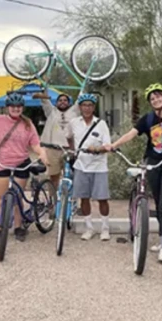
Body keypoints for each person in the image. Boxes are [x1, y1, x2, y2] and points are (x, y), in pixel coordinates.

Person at [105, 83, 162, 263]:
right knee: (158, 204)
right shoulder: (148, 120)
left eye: (158, 96)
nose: (155, 100)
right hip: (153, 164)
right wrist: (114, 145)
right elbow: (131, 134)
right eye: (152, 98)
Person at [0, 92, 48, 244]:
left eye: (18, 107)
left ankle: (18, 227)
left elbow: (35, 143)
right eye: (13, 106)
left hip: (21, 163)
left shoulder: (28, 123)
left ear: (22, 108)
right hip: (0, 163)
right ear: (8, 107)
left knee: (17, 197)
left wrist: (42, 153)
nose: (16, 109)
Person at [65, 93, 111, 241]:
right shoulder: (74, 122)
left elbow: (107, 145)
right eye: (84, 105)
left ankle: (105, 228)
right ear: (80, 107)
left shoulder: (101, 124)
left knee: (102, 198)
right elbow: (69, 137)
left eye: (90, 105)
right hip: (81, 165)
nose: (87, 108)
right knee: (83, 198)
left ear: (94, 107)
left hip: (99, 166)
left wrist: (97, 149)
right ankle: (89, 228)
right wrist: (72, 151)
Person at [33, 90, 80, 189]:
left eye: (65, 100)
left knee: (71, 176)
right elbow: (45, 100)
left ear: (69, 102)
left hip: (69, 150)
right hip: (53, 149)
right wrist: (44, 88)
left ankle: (71, 201)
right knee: (54, 177)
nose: (63, 102)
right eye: (60, 100)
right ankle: (53, 202)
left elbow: (80, 99)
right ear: (56, 102)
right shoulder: (51, 111)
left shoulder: (74, 112)